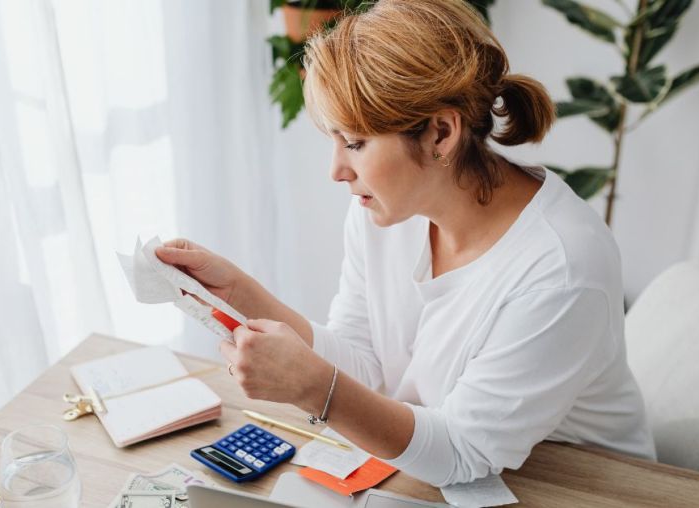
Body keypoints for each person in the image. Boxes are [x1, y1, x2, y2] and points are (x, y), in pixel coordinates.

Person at [155, 0, 656, 486]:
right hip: (464, 474)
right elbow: (365, 365)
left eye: (355, 143)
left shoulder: (562, 267)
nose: (336, 171)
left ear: (441, 132)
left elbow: (465, 452)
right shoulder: (382, 213)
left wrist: (315, 390)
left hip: (582, 484)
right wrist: (240, 294)